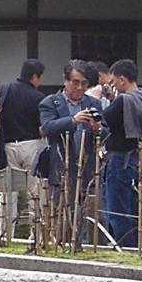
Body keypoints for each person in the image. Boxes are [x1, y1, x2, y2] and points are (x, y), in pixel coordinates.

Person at [38, 60, 100, 238]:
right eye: (75, 82)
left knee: (92, 215)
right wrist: (72, 121)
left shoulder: (93, 103)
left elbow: (106, 133)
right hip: (62, 166)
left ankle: (90, 244)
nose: (79, 88)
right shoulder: (50, 102)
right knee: (62, 215)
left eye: (84, 83)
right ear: (65, 81)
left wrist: (97, 128)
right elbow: (48, 127)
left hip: (88, 167)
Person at [100, 59, 142, 248]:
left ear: (122, 79)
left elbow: (103, 119)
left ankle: (122, 246)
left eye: (113, 81)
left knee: (117, 209)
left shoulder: (123, 100)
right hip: (138, 156)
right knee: (132, 208)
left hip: (119, 157)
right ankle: (133, 246)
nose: (112, 85)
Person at [0, 58, 45, 239]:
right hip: (32, 144)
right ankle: (36, 235)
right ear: (35, 76)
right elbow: (42, 126)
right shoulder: (38, 97)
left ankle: (5, 234)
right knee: (35, 192)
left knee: (8, 194)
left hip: (8, 145)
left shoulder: (3, 90)